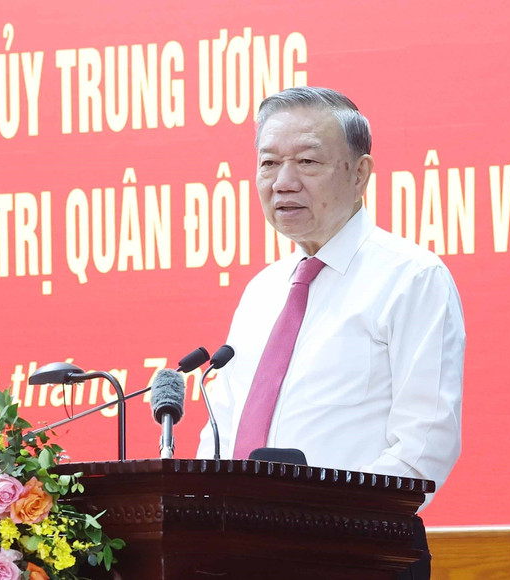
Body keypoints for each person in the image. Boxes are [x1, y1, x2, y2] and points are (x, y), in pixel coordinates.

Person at [197, 87, 465, 579]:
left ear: (359, 175)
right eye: (269, 163)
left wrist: (332, 529)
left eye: (307, 162)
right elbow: (223, 428)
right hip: (242, 553)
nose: (283, 182)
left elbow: (424, 441)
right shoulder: (263, 291)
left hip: (355, 554)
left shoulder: (410, 277)